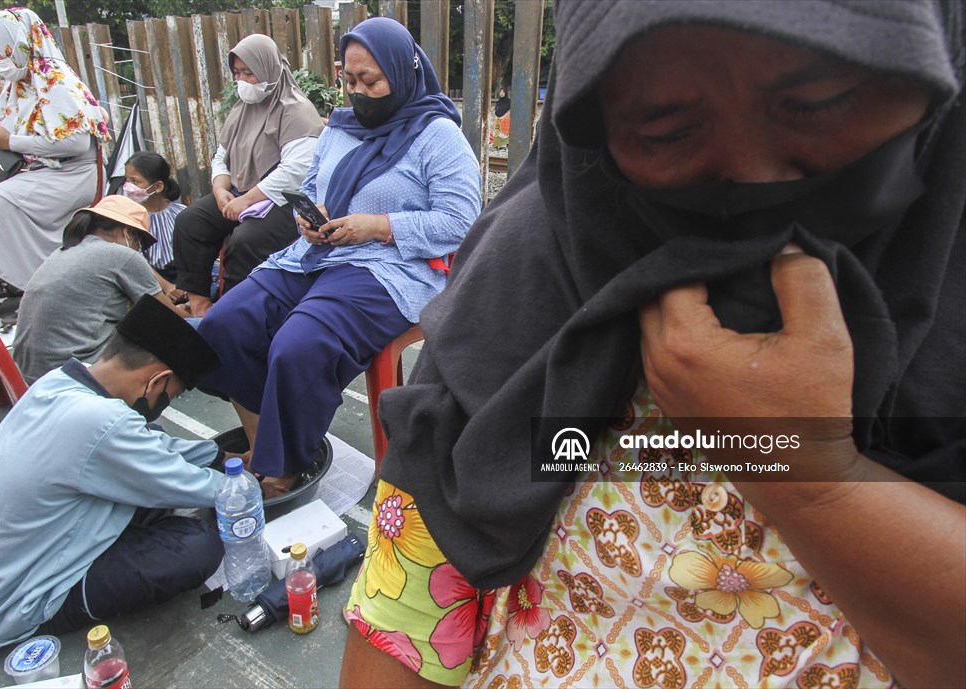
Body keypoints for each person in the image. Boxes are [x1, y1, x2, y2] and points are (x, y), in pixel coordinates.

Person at [339, 2, 965, 689]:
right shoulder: (532, 272)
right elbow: (410, 594)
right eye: (665, 128)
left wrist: (807, 470)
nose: (752, 182)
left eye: (821, 101)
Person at [197, 17, 481, 495]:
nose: (358, 92)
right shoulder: (340, 128)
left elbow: (461, 222)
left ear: (403, 72)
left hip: (388, 267)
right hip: (316, 254)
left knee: (299, 345)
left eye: (370, 80)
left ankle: (282, 468)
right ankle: (263, 443)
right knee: (225, 324)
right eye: (349, 81)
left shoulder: (437, 135)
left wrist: (378, 226)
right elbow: (309, 187)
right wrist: (310, 218)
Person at [0, 295, 226, 657]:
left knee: (143, 497)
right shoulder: (103, 424)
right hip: (19, 596)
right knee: (198, 547)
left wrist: (219, 453)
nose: (163, 407)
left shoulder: (59, 384)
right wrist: (251, 484)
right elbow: (188, 483)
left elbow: (147, 449)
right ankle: (59, 606)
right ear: (156, 381)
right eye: (169, 397)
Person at [0, 7, 108, 297]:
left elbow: (77, 144)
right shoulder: (16, 84)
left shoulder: (55, 81)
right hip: (24, 169)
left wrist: (11, 143)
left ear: (18, 43)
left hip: (67, 175)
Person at [173, 34, 323, 316]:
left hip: (285, 200)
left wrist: (247, 200)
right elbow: (221, 156)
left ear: (268, 69)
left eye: (249, 73)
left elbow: (294, 172)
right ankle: (199, 305)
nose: (242, 80)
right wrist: (220, 189)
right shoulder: (241, 109)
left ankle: (233, 313)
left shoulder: (296, 110)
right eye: (237, 73)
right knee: (190, 222)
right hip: (240, 192)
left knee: (246, 241)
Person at [12, 195, 183, 385]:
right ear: (128, 233)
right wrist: (192, 312)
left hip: (30, 374)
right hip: (75, 371)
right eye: (139, 242)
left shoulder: (63, 252)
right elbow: (168, 317)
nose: (138, 249)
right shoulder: (121, 254)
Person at [121, 150, 187, 302]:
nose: (128, 187)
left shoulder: (181, 213)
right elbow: (135, 260)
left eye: (135, 181)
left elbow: (193, 253)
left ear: (157, 187)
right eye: (127, 180)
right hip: (149, 279)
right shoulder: (130, 219)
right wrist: (165, 286)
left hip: (182, 277)